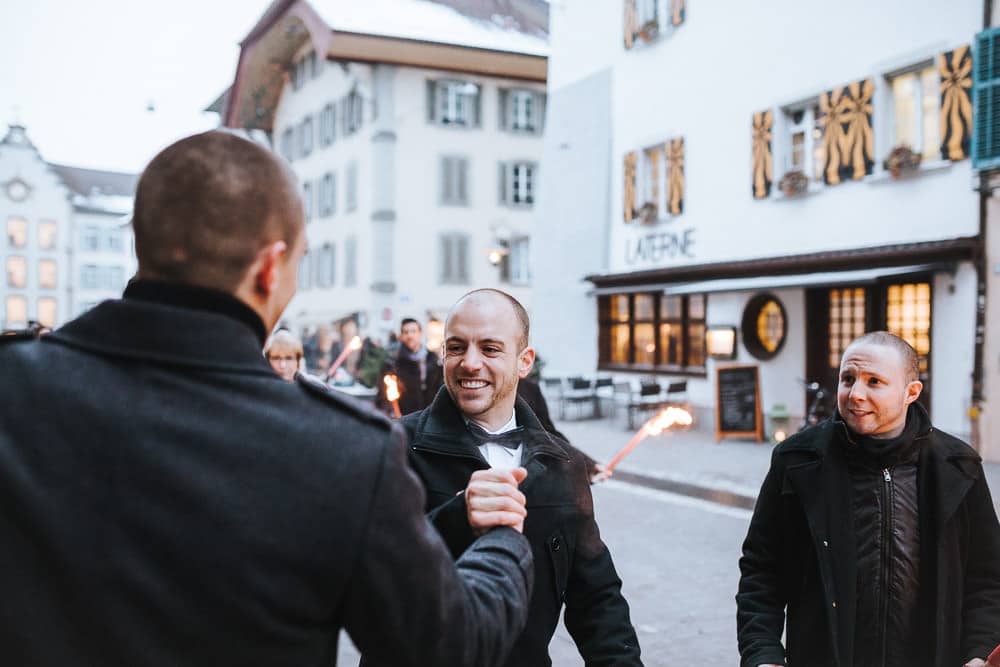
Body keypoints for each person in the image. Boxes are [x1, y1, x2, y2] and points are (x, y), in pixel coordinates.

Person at [0, 131, 535, 666]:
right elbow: (448, 648)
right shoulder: (342, 452)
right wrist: (502, 540)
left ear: (142, 243)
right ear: (269, 267)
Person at [399, 288, 642, 666]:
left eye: (491, 349)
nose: (470, 363)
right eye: (457, 347)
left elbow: (597, 599)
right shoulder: (394, 447)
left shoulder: (562, 467)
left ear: (524, 361)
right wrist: (456, 519)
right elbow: (368, 581)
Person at [737, 331, 1000, 667]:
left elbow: (987, 578)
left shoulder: (958, 466)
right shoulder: (798, 462)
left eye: (874, 382)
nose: (855, 394)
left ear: (911, 393)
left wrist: (978, 654)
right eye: (848, 379)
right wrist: (763, 653)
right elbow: (762, 570)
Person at [376, 317, 443, 416]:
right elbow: (384, 395)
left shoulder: (432, 359)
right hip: (403, 418)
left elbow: (440, 389)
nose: (410, 335)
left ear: (420, 333)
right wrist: (392, 414)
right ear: (401, 336)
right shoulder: (392, 363)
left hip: (428, 417)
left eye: (413, 331)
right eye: (406, 332)